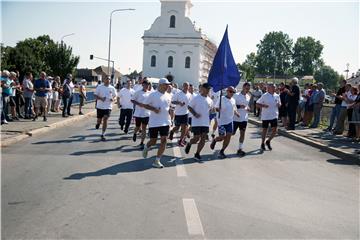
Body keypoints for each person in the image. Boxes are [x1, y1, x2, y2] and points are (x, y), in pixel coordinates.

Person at [142, 78, 172, 168]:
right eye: (166, 85)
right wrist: (154, 109)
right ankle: (147, 147)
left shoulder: (169, 95)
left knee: (164, 140)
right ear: (160, 85)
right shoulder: (152, 95)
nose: (168, 86)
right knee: (153, 141)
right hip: (154, 122)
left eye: (168, 85)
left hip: (165, 121)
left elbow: (168, 107)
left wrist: (171, 118)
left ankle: (157, 160)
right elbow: (145, 105)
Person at [185, 83, 213, 161]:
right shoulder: (196, 98)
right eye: (207, 88)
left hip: (205, 122)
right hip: (196, 122)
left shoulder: (210, 100)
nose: (208, 90)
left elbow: (211, 110)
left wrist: (213, 111)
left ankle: (197, 153)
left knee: (203, 138)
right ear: (202, 89)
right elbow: (189, 107)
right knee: (196, 138)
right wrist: (195, 114)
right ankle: (189, 143)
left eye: (209, 89)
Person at [210, 86, 239, 159]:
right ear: (227, 91)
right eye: (230, 91)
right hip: (221, 122)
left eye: (233, 92)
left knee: (228, 136)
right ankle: (215, 140)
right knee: (222, 137)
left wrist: (236, 113)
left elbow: (234, 108)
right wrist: (217, 109)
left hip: (230, 121)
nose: (232, 93)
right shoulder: (221, 99)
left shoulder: (233, 100)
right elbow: (215, 108)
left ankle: (222, 151)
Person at [256, 83, 281, 151]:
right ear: (269, 88)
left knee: (275, 130)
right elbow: (257, 104)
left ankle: (268, 141)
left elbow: (279, 104)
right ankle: (262, 143)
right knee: (265, 130)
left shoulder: (277, 96)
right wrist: (264, 106)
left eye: (274, 87)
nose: (274, 88)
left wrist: (279, 104)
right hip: (266, 115)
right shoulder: (264, 95)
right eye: (273, 87)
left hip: (274, 115)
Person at [169, 82, 192, 146]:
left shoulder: (189, 94)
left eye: (187, 86)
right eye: (185, 86)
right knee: (177, 127)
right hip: (178, 113)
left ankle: (180, 141)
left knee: (184, 127)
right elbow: (172, 101)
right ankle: (172, 132)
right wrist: (179, 103)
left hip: (186, 113)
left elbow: (190, 103)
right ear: (183, 86)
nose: (186, 87)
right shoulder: (178, 94)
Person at [94, 76, 117, 141]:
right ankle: (98, 123)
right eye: (106, 79)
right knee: (99, 120)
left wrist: (113, 99)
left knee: (105, 119)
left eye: (109, 79)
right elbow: (95, 95)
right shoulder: (100, 87)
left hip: (108, 106)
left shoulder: (112, 88)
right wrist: (101, 98)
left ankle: (103, 134)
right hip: (100, 106)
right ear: (104, 79)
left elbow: (115, 96)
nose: (108, 80)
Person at [131, 79, 151, 149]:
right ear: (142, 85)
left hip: (146, 114)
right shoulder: (138, 92)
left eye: (148, 85)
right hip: (138, 113)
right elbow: (132, 100)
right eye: (145, 84)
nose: (147, 86)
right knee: (137, 127)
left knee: (144, 128)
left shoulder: (150, 93)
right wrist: (139, 104)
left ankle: (142, 142)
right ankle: (134, 133)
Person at [233, 82, 251, 156]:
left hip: (244, 118)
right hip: (235, 118)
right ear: (243, 87)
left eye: (248, 89)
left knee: (242, 133)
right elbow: (232, 106)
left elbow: (247, 106)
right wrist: (240, 106)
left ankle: (240, 149)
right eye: (246, 88)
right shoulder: (236, 95)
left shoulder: (248, 96)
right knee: (231, 133)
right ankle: (219, 139)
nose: (247, 90)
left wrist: (248, 108)